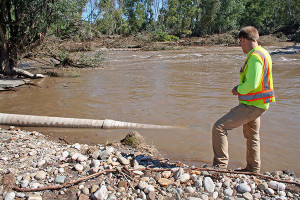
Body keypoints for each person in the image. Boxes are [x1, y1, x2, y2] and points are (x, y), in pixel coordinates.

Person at [212, 26, 275, 173]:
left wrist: (238, 89)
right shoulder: (264, 53)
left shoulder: (254, 56)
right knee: (252, 136)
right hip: (260, 104)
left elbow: (252, 84)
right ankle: (253, 169)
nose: (240, 46)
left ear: (243, 39)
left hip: (251, 105)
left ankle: (219, 166)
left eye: (240, 42)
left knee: (219, 127)